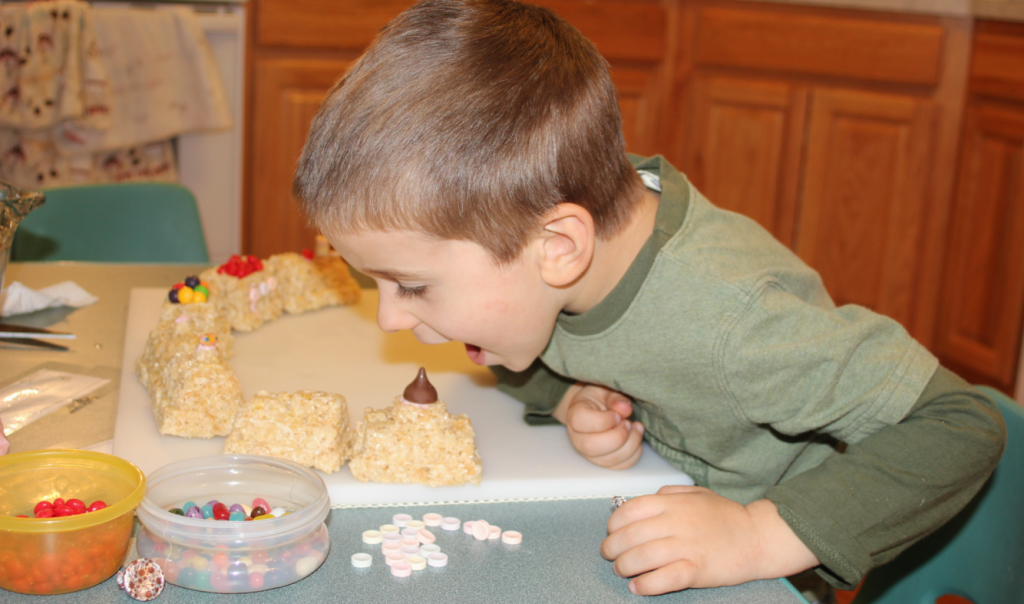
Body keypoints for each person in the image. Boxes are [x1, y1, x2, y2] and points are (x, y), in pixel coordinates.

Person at [292, 0, 1006, 596]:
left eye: (412, 287)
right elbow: (532, 336)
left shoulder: (736, 321)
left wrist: (757, 534)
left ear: (559, 249)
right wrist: (565, 395)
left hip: (747, 575)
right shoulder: (549, 226)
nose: (390, 317)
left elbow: (961, 424)